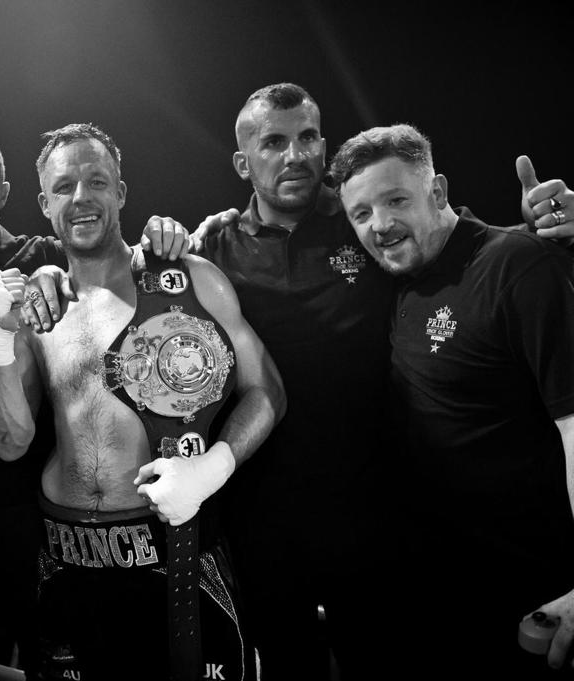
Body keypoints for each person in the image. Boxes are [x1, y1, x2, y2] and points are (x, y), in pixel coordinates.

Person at [163, 83, 574, 681]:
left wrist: (541, 226)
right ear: (242, 162)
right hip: (264, 520)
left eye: (308, 138)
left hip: (380, 519)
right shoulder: (212, 249)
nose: (295, 155)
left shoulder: (364, 220)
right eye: (274, 142)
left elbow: (461, 250)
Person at [0, 130, 188, 680]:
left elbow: (104, 263)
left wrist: (170, 233)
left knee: (46, 652)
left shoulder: (41, 258)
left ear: (6, 193)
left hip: (22, 501)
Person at [0, 123, 284, 681]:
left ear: (121, 192)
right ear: (45, 204)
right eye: (64, 186)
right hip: (66, 554)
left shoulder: (190, 279)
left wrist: (214, 467)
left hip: (174, 546)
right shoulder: (41, 307)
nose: (81, 197)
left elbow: (267, 390)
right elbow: (8, 442)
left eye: (97, 181)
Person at [330, 123, 574, 680]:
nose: (380, 225)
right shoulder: (397, 278)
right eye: (361, 213)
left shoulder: (521, 266)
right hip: (439, 595)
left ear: (437, 192)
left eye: (396, 200)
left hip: (529, 593)